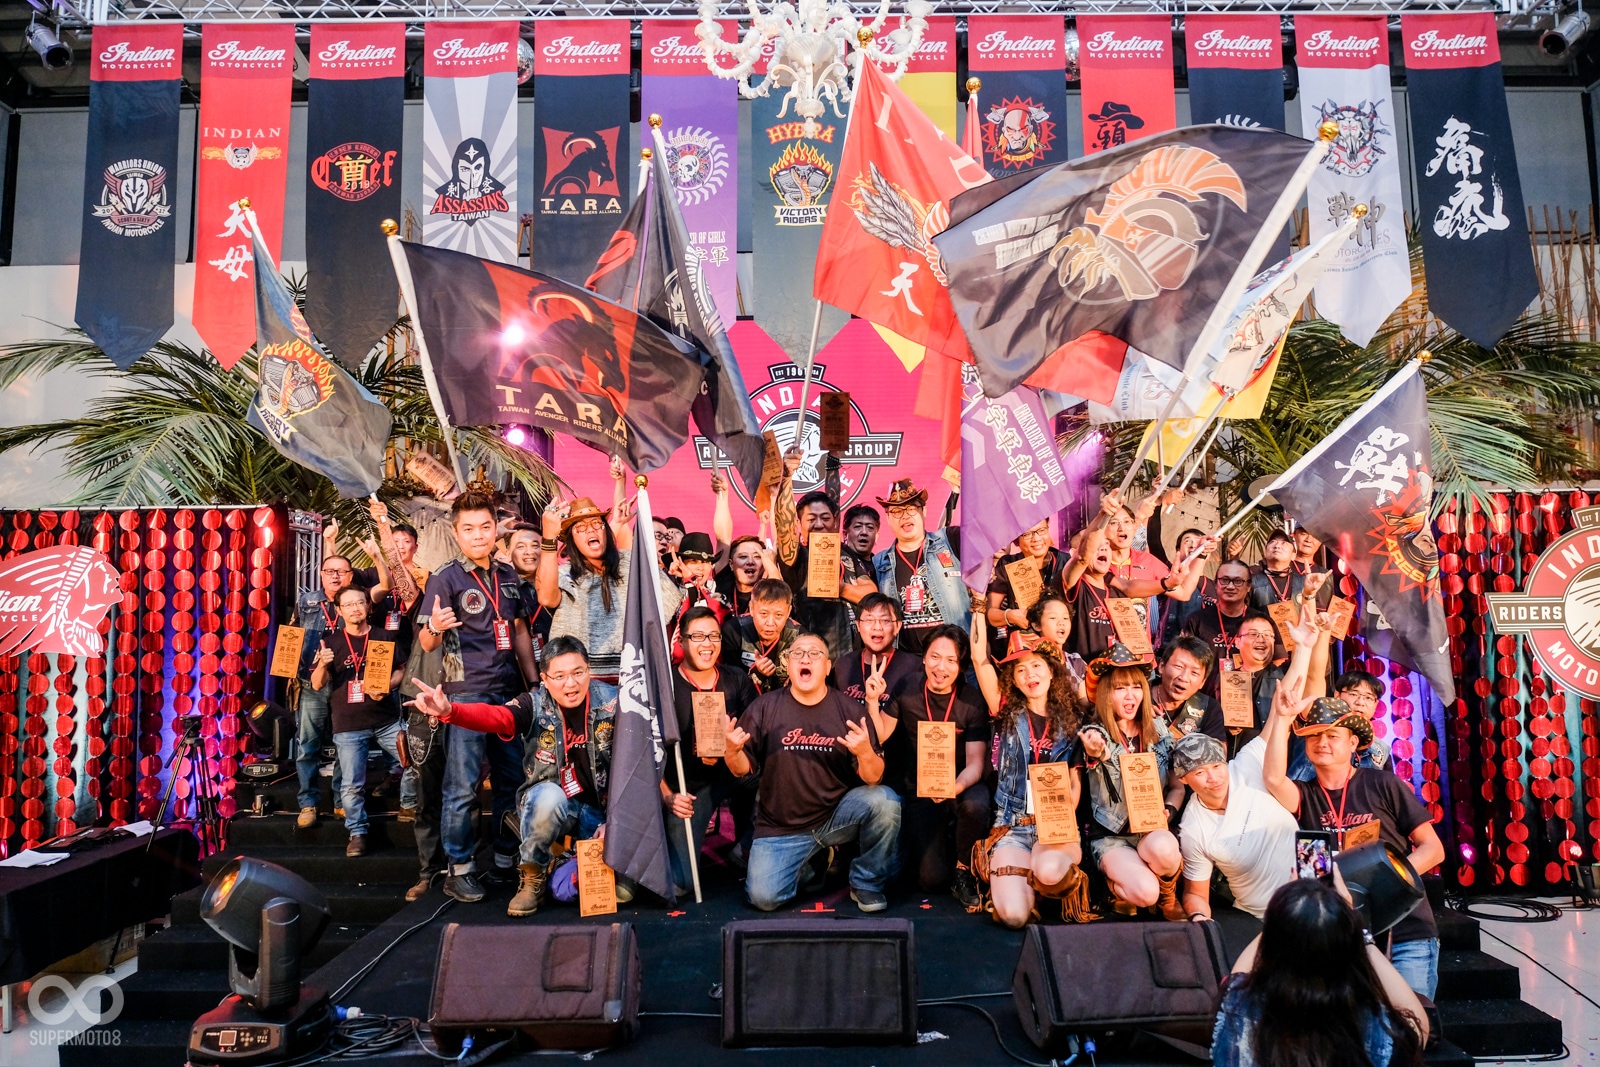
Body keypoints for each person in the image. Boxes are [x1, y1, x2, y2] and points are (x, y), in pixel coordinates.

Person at [408, 637, 626, 918]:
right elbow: (497, 716)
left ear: (589, 670)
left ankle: (564, 865)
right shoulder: (533, 704)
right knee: (548, 797)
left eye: (578, 673)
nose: (570, 684)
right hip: (553, 804)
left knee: (626, 890)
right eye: (559, 676)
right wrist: (451, 711)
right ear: (544, 679)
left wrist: (615, 821)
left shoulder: (615, 701)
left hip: (602, 811)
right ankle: (533, 874)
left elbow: (637, 767)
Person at [1262, 692, 1447, 998]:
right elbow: (1272, 777)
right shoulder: (1304, 795)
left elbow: (1433, 849)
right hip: (1339, 936)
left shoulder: (1383, 783)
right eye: (1314, 735)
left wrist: (1385, 882)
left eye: (1332, 735)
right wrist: (1282, 718)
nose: (1322, 742)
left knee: (1411, 1028)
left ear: (1352, 743)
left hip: (1405, 932)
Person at [417, 492, 541, 902]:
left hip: (508, 691)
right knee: (463, 785)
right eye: (468, 529)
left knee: (513, 778)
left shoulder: (508, 575)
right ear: (456, 533)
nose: (477, 535)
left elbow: (520, 631)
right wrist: (434, 626)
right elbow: (427, 642)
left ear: (496, 529)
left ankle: (506, 859)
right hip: (465, 692)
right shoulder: (444, 577)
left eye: (485, 527)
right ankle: (460, 868)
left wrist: (535, 682)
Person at [725, 631, 901, 913]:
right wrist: (732, 751)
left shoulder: (849, 711)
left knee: (886, 802)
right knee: (763, 898)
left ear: (828, 667)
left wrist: (865, 752)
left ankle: (867, 882)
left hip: (835, 816)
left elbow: (874, 778)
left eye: (814, 653)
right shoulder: (765, 707)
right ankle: (813, 863)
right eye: (798, 653)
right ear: (789, 664)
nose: (805, 658)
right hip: (781, 826)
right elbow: (741, 770)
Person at [1212, 876, 1427, 1066]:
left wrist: (1287, 913)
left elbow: (1237, 976)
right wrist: (1358, 929)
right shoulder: (1381, 1033)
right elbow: (1419, 1027)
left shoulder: (1235, 1005)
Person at [970, 621, 1091, 927]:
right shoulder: (1006, 709)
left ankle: (1046, 878)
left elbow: (1075, 786)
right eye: (1020, 670)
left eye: (1036, 666)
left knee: (1050, 870)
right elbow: (978, 658)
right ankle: (1029, 887)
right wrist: (979, 605)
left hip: (1056, 827)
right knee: (1013, 917)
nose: (1030, 675)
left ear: (1052, 671)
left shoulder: (1075, 720)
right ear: (1013, 679)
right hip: (1011, 825)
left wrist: (1055, 823)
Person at [866, 623, 991, 907]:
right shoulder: (908, 686)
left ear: (960, 666)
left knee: (976, 805)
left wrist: (953, 786)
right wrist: (872, 701)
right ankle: (940, 846)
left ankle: (963, 869)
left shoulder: (971, 700)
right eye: (935, 657)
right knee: (931, 881)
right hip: (920, 787)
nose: (941, 667)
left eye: (950, 660)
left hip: (961, 785)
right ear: (923, 657)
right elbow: (882, 734)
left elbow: (975, 764)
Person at [1076, 643, 1186, 920]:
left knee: (1165, 848)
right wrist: (1094, 748)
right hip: (1112, 837)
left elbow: (1176, 786)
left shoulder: (1159, 729)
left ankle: (1168, 896)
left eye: (1136, 686)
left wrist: (1169, 811)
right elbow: (1096, 748)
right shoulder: (1096, 732)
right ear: (1105, 693)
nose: (1130, 695)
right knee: (1143, 894)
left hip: (1150, 831)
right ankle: (1115, 886)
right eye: (1120, 688)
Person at [538, 485, 683, 684]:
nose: (590, 530)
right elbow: (546, 597)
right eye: (580, 528)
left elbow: (669, 604)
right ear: (572, 541)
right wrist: (548, 538)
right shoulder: (565, 575)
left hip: (634, 680)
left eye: (597, 524)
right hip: (581, 685)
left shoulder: (632, 564)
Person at [663, 607, 759, 898]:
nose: (708, 644)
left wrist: (734, 748)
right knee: (681, 884)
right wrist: (667, 796)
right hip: (689, 788)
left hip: (734, 771)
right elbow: (645, 750)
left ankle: (746, 847)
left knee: (778, 776)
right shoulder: (665, 683)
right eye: (698, 636)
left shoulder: (736, 678)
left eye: (714, 636)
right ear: (681, 640)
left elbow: (757, 736)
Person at [309, 586, 405, 858]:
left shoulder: (384, 637)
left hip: (386, 719)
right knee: (351, 784)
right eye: (348, 605)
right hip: (349, 723)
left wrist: (387, 685)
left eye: (360, 603)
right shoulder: (332, 642)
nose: (355, 608)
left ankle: (410, 805)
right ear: (339, 611)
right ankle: (357, 832)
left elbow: (401, 669)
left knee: (414, 761)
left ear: (368, 606)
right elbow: (317, 685)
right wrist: (323, 665)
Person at [774, 464, 878, 659]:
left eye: (825, 518)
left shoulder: (845, 552)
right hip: (815, 657)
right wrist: (786, 478)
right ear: (798, 523)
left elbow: (871, 595)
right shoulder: (795, 556)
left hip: (855, 656)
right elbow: (783, 525)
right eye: (811, 518)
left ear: (835, 521)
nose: (819, 524)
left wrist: (839, 588)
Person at [871, 479, 969, 654]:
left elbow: (982, 529)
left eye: (911, 509)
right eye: (897, 511)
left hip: (957, 659)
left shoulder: (950, 540)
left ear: (923, 511)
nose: (905, 516)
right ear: (888, 518)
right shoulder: (879, 562)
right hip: (908, 665)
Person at [293, 552, 354, 828]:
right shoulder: (306, 601)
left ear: (350, 576)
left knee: (345, 745)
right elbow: (292, 635)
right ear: (321, 574)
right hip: (310, 682)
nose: (335, 576)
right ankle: (308, 803)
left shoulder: (354, 601)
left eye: (341, 571)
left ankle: (341, 800)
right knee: (308, 745)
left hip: (344, 683)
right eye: (330, 571)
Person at [834, 593, 922, 707]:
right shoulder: (844, 665)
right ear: (858, 625)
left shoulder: (913, 667)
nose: (877, 627)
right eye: (869, 620)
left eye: (885, 620)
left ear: (897, 626)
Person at [986, 519, 1067, 636]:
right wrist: (1010, 615)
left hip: (1061, 641)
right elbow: (990, 613)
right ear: (1016, 540)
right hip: (1024, 642)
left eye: (1041, 530)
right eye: (1027, 534)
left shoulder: (1065, 562)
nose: (1036, 539)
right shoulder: (1008, 564)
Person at [722, 578, 799, 693]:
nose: (770, 623)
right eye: (764, 614)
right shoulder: (734, 630)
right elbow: (729, 683)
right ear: (751, 608)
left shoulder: (799, 636)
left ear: (788, 612)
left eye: (779, 615)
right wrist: (757, 674)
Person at [1181, 558, 1254, 663]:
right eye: (1224, 580)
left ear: (1248, 586)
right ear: (1215, 584)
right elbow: (1185, 658)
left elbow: (1272, 661)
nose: (1230, 586)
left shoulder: (1260, 621)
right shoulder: (1196, 620)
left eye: (1238, 581)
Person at [1153, 636, 1218, 739]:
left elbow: (1218, 751)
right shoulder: (1138, 697)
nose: (1184, 678)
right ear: (1161, 666)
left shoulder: (1210, 708)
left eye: (1194, 672)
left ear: (1203, 682)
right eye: (1179, 667)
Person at [507, 524, 552, 661]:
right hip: (518, 670)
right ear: (509, 552)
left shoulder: (560, 583)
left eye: (535, 546)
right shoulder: (504, 588)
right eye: (521, 547)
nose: (529, 552)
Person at [1026, 594, 1087, 694]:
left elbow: (1083, 699)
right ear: (1037, 625)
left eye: (1065, 618)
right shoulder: (1033, 661)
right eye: (1053, 618)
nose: (1061, 622)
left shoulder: (1076, 661)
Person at [1250, 529, 1307, 611]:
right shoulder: (1252, 581)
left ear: (1293, 555)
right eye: (1272, 542)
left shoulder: (1304, 582)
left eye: (1284, 543)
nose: (1277, 546)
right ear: (1265, 551)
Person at [715, 534, 769, 617]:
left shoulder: (770, 592)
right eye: (743, 557)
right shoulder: (724, 582)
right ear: (731, 564)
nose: (750, 562)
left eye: (757, 556)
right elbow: (723, 535)